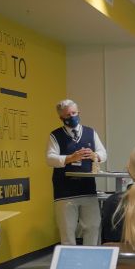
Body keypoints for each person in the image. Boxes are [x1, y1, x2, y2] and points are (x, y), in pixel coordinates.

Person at [46, 99, 107, 246]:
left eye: (74, 113)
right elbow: (50, 159)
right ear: (61, 118)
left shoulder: (90, 132)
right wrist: (70, 158)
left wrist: (95, 156)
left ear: (79, 112)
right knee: (68, 230)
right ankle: (70, 265)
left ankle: (90, 260)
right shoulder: (55, 135)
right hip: (65, 192)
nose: (72, 116)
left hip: (88, 189)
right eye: (68, 115)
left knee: (93, 226)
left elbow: (103, 153)